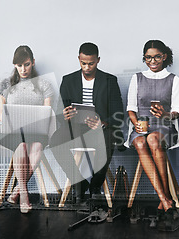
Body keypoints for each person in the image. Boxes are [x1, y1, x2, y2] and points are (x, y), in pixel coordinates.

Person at [49, 42, 124, 204]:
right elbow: (58, 114)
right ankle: (79, 182)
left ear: (98, 60)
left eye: (91, 63)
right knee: (55, 140)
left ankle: (96, 185)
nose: (87, 67)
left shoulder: (109, 81)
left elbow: (119, 113)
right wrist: (65, 115)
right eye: (83, 63)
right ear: (78, 59)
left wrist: (102, 122)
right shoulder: (68, 80)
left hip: (101, 130)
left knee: (109, 139)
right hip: (75, 128)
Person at [126, 40, 179, 231]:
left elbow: (176, 112)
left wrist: (165, 114)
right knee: (141, 142)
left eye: (157, 56)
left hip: (165, 127)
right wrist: (136, 125)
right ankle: (165, 200)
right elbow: (131, 109)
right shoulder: (137, 78)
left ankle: (164, 199)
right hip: (140, 126)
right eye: (148, 57)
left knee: (152, 139)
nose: (152, 61)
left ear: (164, 56)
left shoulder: (173, 79)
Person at [0, 45, 54, 213]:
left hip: (36, 131)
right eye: (19, 65)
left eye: (26, 64)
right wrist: (14, 121)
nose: (23, 69)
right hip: (11, 130)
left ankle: (17, 190)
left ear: (33, 62)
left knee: (37, 146)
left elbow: (47, 113)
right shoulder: (5, 83)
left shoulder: (44, 84)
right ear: (14, 65)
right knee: (21, 146)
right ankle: (24, 195)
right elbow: (0, 114)